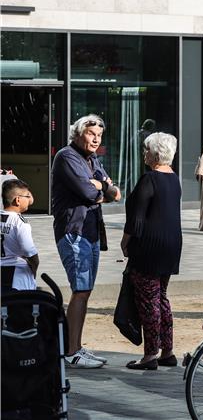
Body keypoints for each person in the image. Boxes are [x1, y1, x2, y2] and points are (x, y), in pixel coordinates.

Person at [51, 114, 121, 368]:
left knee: (85, 290)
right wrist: (101, 187)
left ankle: (76, 347)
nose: (96, 139)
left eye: (100, 136)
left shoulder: (93, 160)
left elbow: (115, 193)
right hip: (73, 232)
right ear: (78, 133)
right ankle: (71, 351)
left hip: (91, 232)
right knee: (80, 290)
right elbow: (89, 193)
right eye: (92, 134)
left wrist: (100, 185)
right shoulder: (67, 156)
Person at [120, 132, 182, 370]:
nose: (144, 153)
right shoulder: (173, 178)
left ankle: (149, 355)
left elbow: (137, 220)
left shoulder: (149, 179)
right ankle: (167, 350)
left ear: (155, 153)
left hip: (148, 247)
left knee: (148, 301)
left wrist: (125, 242)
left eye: (146, 150)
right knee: (162, 298)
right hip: (170, 246)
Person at [1, 179, 39, 293]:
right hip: (17, 276)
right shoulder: (20, 222)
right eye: (27, 196)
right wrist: (34, 268)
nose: (29, 200)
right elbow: (29, 251)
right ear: (18, 200)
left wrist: (25, 194)